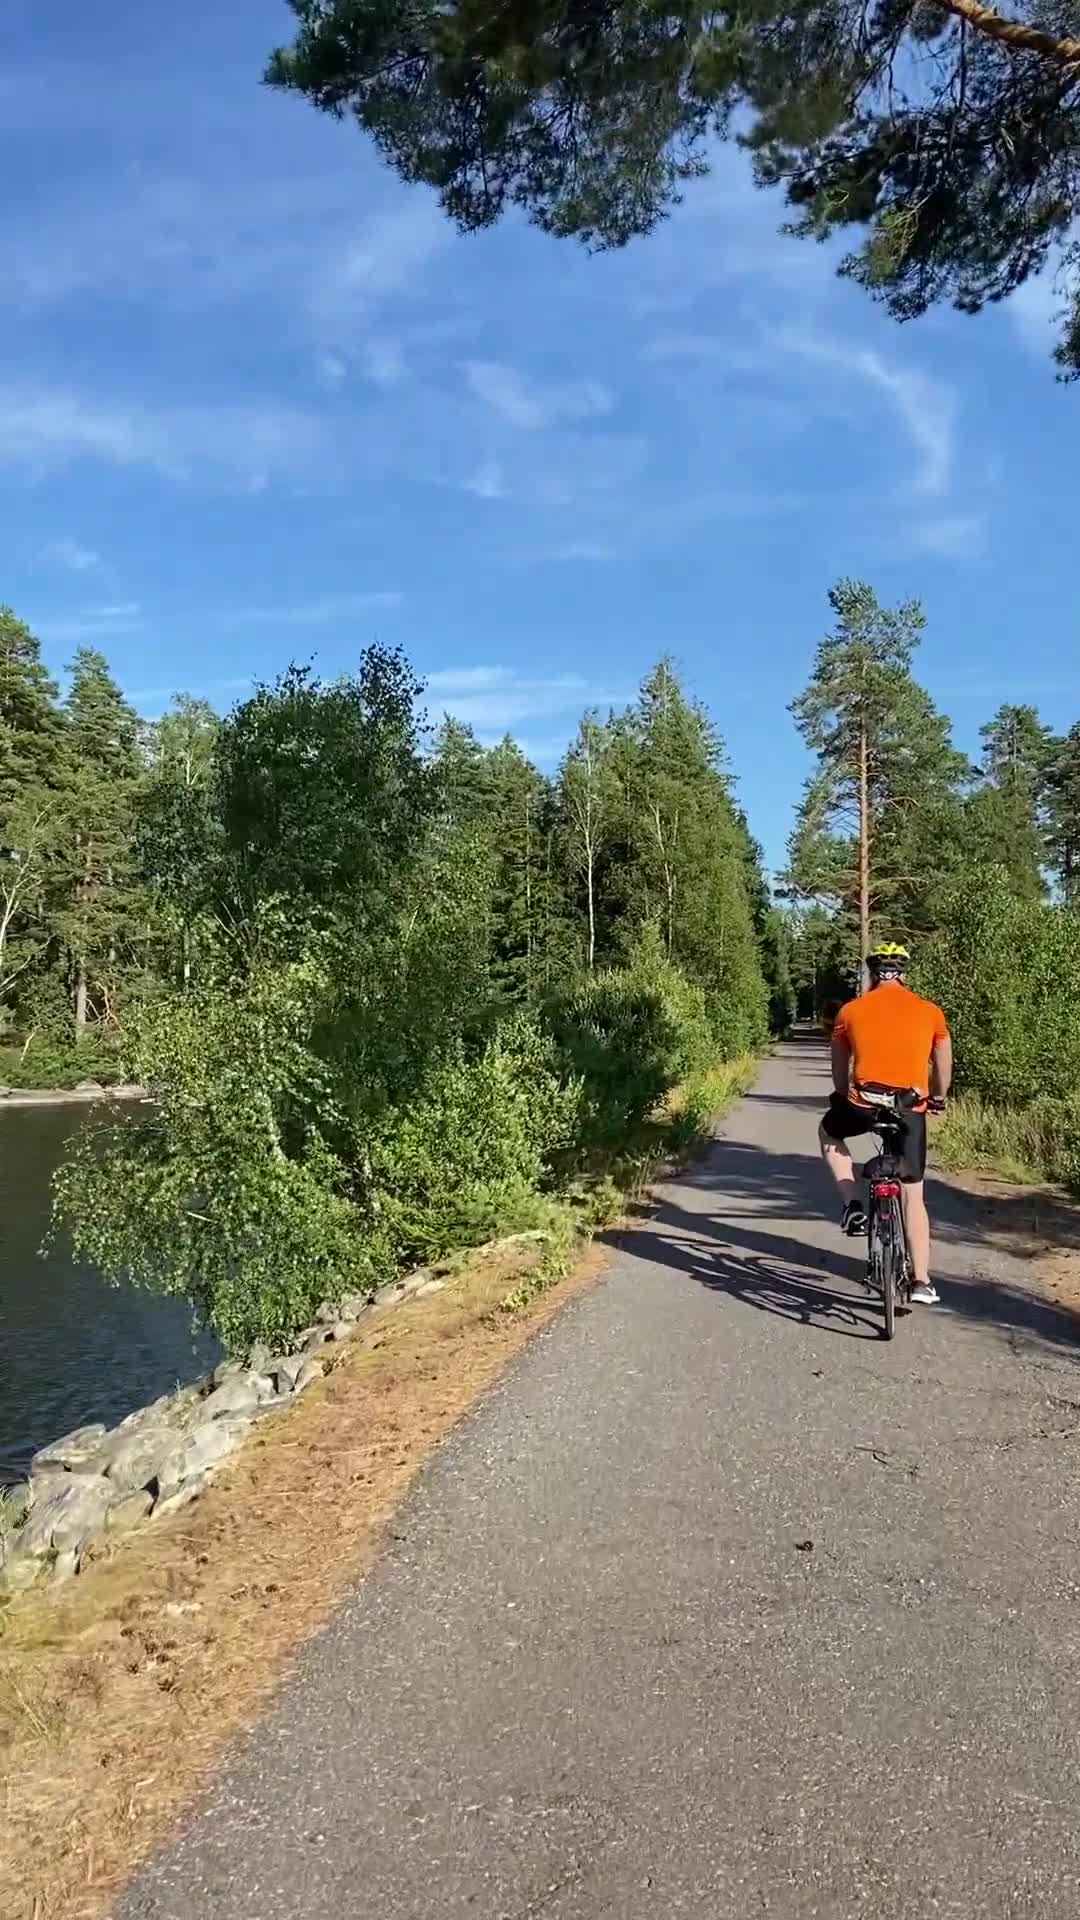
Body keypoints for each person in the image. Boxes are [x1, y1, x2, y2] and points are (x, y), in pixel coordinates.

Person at [819, 943, 952, 1306]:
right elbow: (942, 1061)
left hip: (863, 1103)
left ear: (872, 974)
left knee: (829, 1133)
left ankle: (853, 1205)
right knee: (913, 1191)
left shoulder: (850, 1011)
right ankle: (921, 1281)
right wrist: (937, 1097)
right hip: (911, 1107)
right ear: (904, 973)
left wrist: (842, 1095)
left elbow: (838, 1069)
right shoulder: (930, 1012)